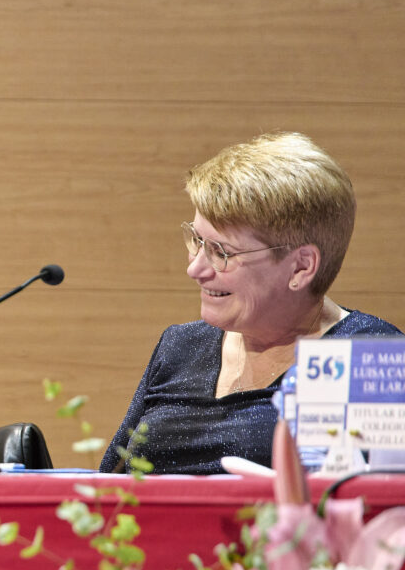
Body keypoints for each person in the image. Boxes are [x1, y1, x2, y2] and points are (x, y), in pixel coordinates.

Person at [101, 132, 401, 475]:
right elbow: (110, 485)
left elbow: (379, 508)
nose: (195, 268)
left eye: (221, 252)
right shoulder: (181, 346)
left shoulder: (369, 358)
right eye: (196, 241)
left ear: (301, 266)